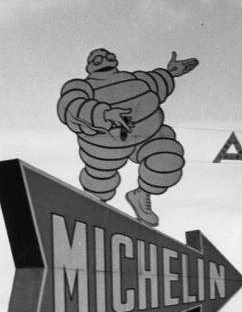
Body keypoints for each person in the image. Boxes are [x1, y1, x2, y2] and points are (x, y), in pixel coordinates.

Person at [56, 48, 198, 226]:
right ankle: (93, 207)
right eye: (98, 59)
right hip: (105, 145)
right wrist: (106, 114)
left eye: (109, 57)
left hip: (145, 136)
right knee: (99, 179)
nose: (105, 61)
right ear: (89, 66)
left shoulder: (134, 80)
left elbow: (156, 82)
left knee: (167, 156)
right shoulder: (83, 86)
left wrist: (170, 73)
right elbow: (72, 105)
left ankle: (141, 195)